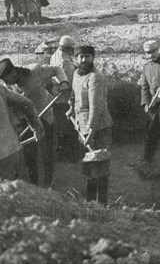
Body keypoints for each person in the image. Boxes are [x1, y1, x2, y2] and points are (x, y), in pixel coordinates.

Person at [0, 58, 69, 187]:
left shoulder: (35, 70)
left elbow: (57, 69)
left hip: (45, 116)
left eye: (7, 79)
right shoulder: (7, 85)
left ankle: (48, 184)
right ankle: (34, 185)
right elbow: (11, 106)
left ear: (13, 72)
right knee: (30, 155)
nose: (7, 83)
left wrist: (63, 82)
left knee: (46, 152)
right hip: (26, 120)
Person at [67, 45, 113, 205]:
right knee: (88, 166)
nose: (84, 60)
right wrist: (71, 107)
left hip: (99, 127)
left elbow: (96, 106)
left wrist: (91, 131)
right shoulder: (75, 74)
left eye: (87, 56)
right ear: (75, 59)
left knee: (100, 166)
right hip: (82, 126)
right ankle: (90, 204)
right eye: (80, 57)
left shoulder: (95, 77)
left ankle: (102, 205)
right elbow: (74, 93)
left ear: (93, 58)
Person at [50, 35, 79, 161]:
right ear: (67, 48)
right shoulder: (64, 62)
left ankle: (63, 152)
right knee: (67, 126)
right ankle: (69, 155)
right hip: (64, 98)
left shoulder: (54, 56)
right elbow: (69, 81)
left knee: (62, 126)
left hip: (56, 96)